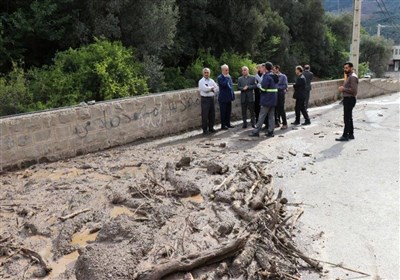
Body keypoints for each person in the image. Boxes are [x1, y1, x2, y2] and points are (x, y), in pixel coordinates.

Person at [249, 62, 278, 137]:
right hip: (273, 99)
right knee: (271, 116)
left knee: (261, 116)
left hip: (266, 99)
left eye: (262, 67)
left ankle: (256, 131)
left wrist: (258, 86)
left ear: (265, 68)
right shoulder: (274, 75)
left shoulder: (267, 76)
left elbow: (264, 89)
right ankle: (270, 131)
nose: (260, 68)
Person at [336, 62, 358, 141]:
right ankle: (351, 134)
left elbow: (354, 91)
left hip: (350, 99)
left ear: (351, 68)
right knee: (349, 117)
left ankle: (345, 135)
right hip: (347, 99)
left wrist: (343, 89)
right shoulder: (349, 76)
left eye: (347, 68)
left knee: (347, 118)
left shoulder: (352, 77)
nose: (345, 69)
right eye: (344, 68)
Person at [198, 68, 219, 135]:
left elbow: (217, 88)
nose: (206, 74)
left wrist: (210, 89)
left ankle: (211, 128)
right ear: (203, 73)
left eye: (208, 72)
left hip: (211, 99)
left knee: (212, 114)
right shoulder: (201, 81)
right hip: (205, 99)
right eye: (205, 72)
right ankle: (205, 129)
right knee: (205, 115)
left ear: (209, 73)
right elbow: (204, 89)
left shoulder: (211, 80)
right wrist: (211, 88)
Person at [217, 64, 235, 130]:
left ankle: (228, 123)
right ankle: (223, 125)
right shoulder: (220, 77)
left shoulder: (229, 77)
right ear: (223, 70)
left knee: (228, 111)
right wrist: (227, 78)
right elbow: (223, 85)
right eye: (226, 70)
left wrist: (232, 95)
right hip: (223, 98)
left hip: (229, 97)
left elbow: (231, 87)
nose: (227, 71)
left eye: (228, 70)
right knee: (223, 112)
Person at [273, 65, 288, 129]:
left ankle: (285, 123)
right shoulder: (272, 76)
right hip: (274, 95)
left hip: (280, 94)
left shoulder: (283, 76)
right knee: (275, 109)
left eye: (274, 69)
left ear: (277, 69)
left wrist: (277, 87)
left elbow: (285, 86)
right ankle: (277, 122)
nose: (273, 71)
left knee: (281, 109)